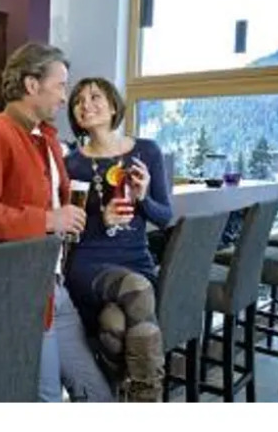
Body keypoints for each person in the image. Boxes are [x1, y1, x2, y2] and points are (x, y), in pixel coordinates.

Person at [0, 42, 114, 402]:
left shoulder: (49, 139)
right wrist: (48, 219)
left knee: (98, 394)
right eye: (60, 86)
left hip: (54, 284)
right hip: (17, 290)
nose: (64, 97)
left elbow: (56, 204)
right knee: (47, 399)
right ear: (31, 84)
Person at [64, 77, 173, 402]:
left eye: (95, 97)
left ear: (113, 106)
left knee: (114, 325)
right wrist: (102, 221)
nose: (86, 105)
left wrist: (143, 198)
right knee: (137, 289)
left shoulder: (146, 152)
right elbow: (70, 233)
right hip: (89, 264)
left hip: (134, 260)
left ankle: (116, 397)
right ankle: (148, 398)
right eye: (78, 101)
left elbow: (165, 217)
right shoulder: (71, 165)